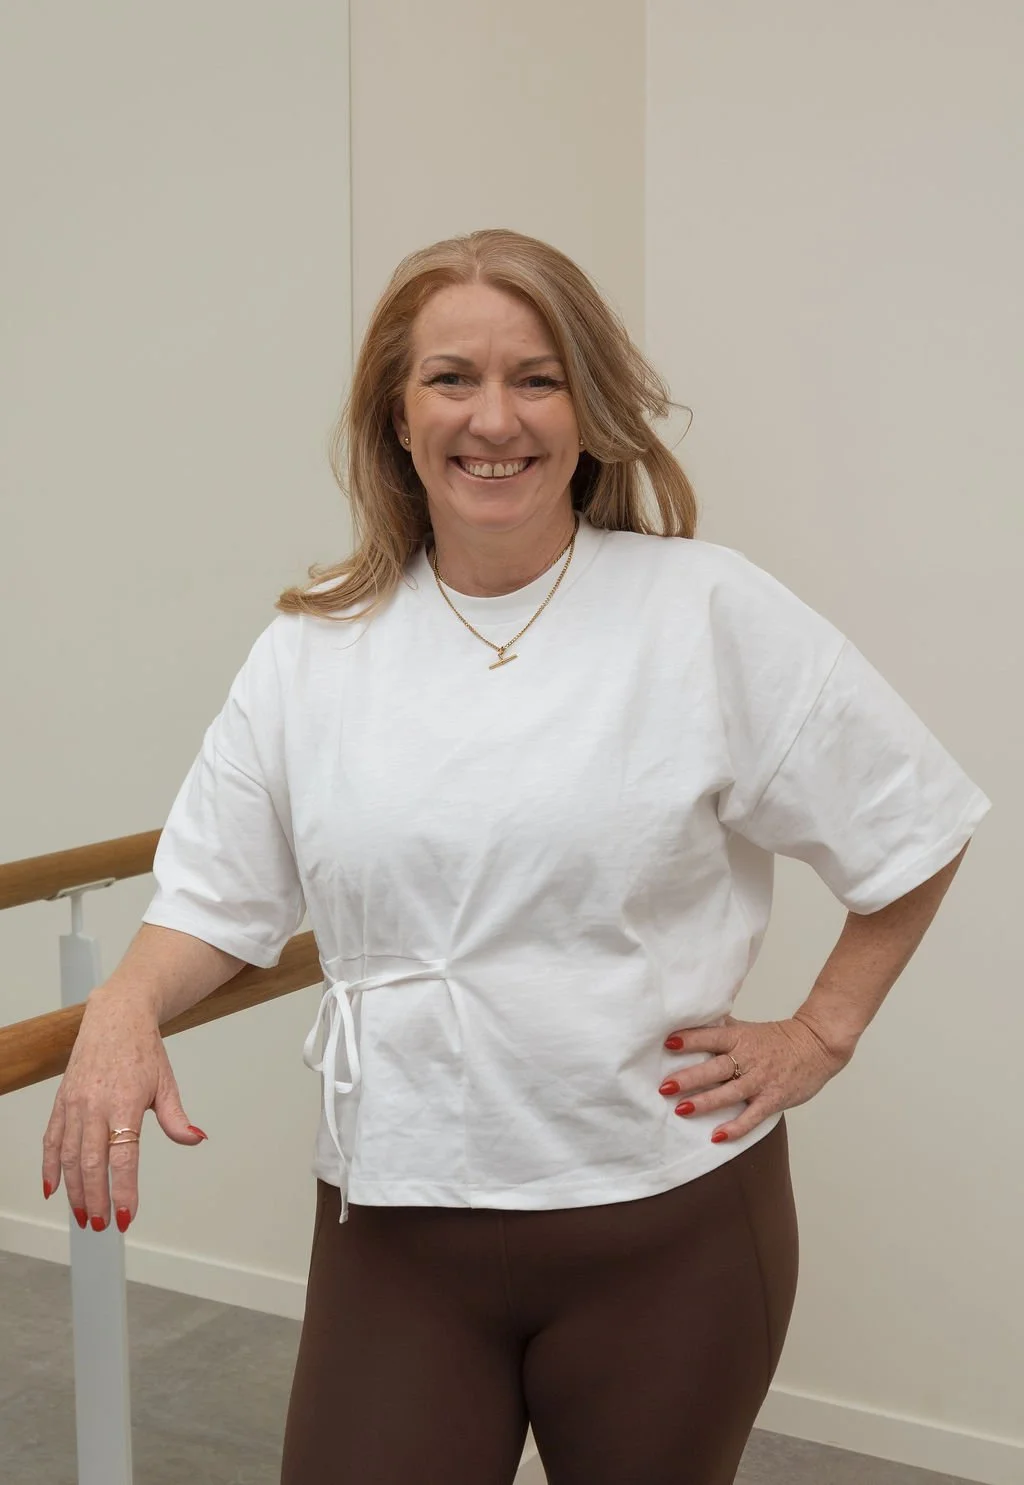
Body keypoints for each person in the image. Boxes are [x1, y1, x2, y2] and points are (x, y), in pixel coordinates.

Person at [41, 228, 991, 1485]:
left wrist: (818, 1032)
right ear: (396, 409)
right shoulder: (315, 646)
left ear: (589, 408)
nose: (495, 419)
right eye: (451, 378)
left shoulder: (700, 609)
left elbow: (912, 823)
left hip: (664, 1229)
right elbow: (216, 897)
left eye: (536, 378)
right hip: (396, 1221)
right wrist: (122, 1006)